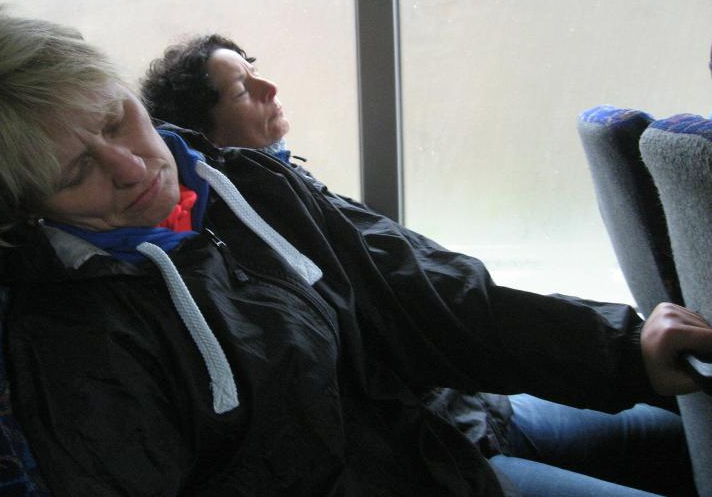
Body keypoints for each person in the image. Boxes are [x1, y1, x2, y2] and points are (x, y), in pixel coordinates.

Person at [0, 8, 711, 497]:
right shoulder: (77, 340)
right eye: (75, 172)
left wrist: (619, 351)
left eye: (116, 120)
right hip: (422, 473)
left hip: (439, 432)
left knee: (690, 439)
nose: (130, 167)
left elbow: (416, 292)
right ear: (27, 207)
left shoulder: (246, 184)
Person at [142, 34, 701, 496]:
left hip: (462, 407)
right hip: (424, 454)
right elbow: (432, 301)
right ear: (202, 134)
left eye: (255, 70)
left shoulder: (286, 187)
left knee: (675, 440)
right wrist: (622, 349)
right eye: (243, 89)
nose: (270, 87)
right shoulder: (252, 224)